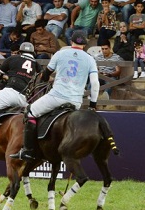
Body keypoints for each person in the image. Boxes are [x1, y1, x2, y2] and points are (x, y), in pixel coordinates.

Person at [11, 31, 100, 161]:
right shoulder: (90, 59)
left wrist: (47, 78)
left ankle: (28, 151)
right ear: (85, 45)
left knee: (30, 112)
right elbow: (95, 84)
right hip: (75, 101)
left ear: (71, 41)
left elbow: (46, 74)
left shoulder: (60, 53)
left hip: (56, 96)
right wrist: (92, 105)